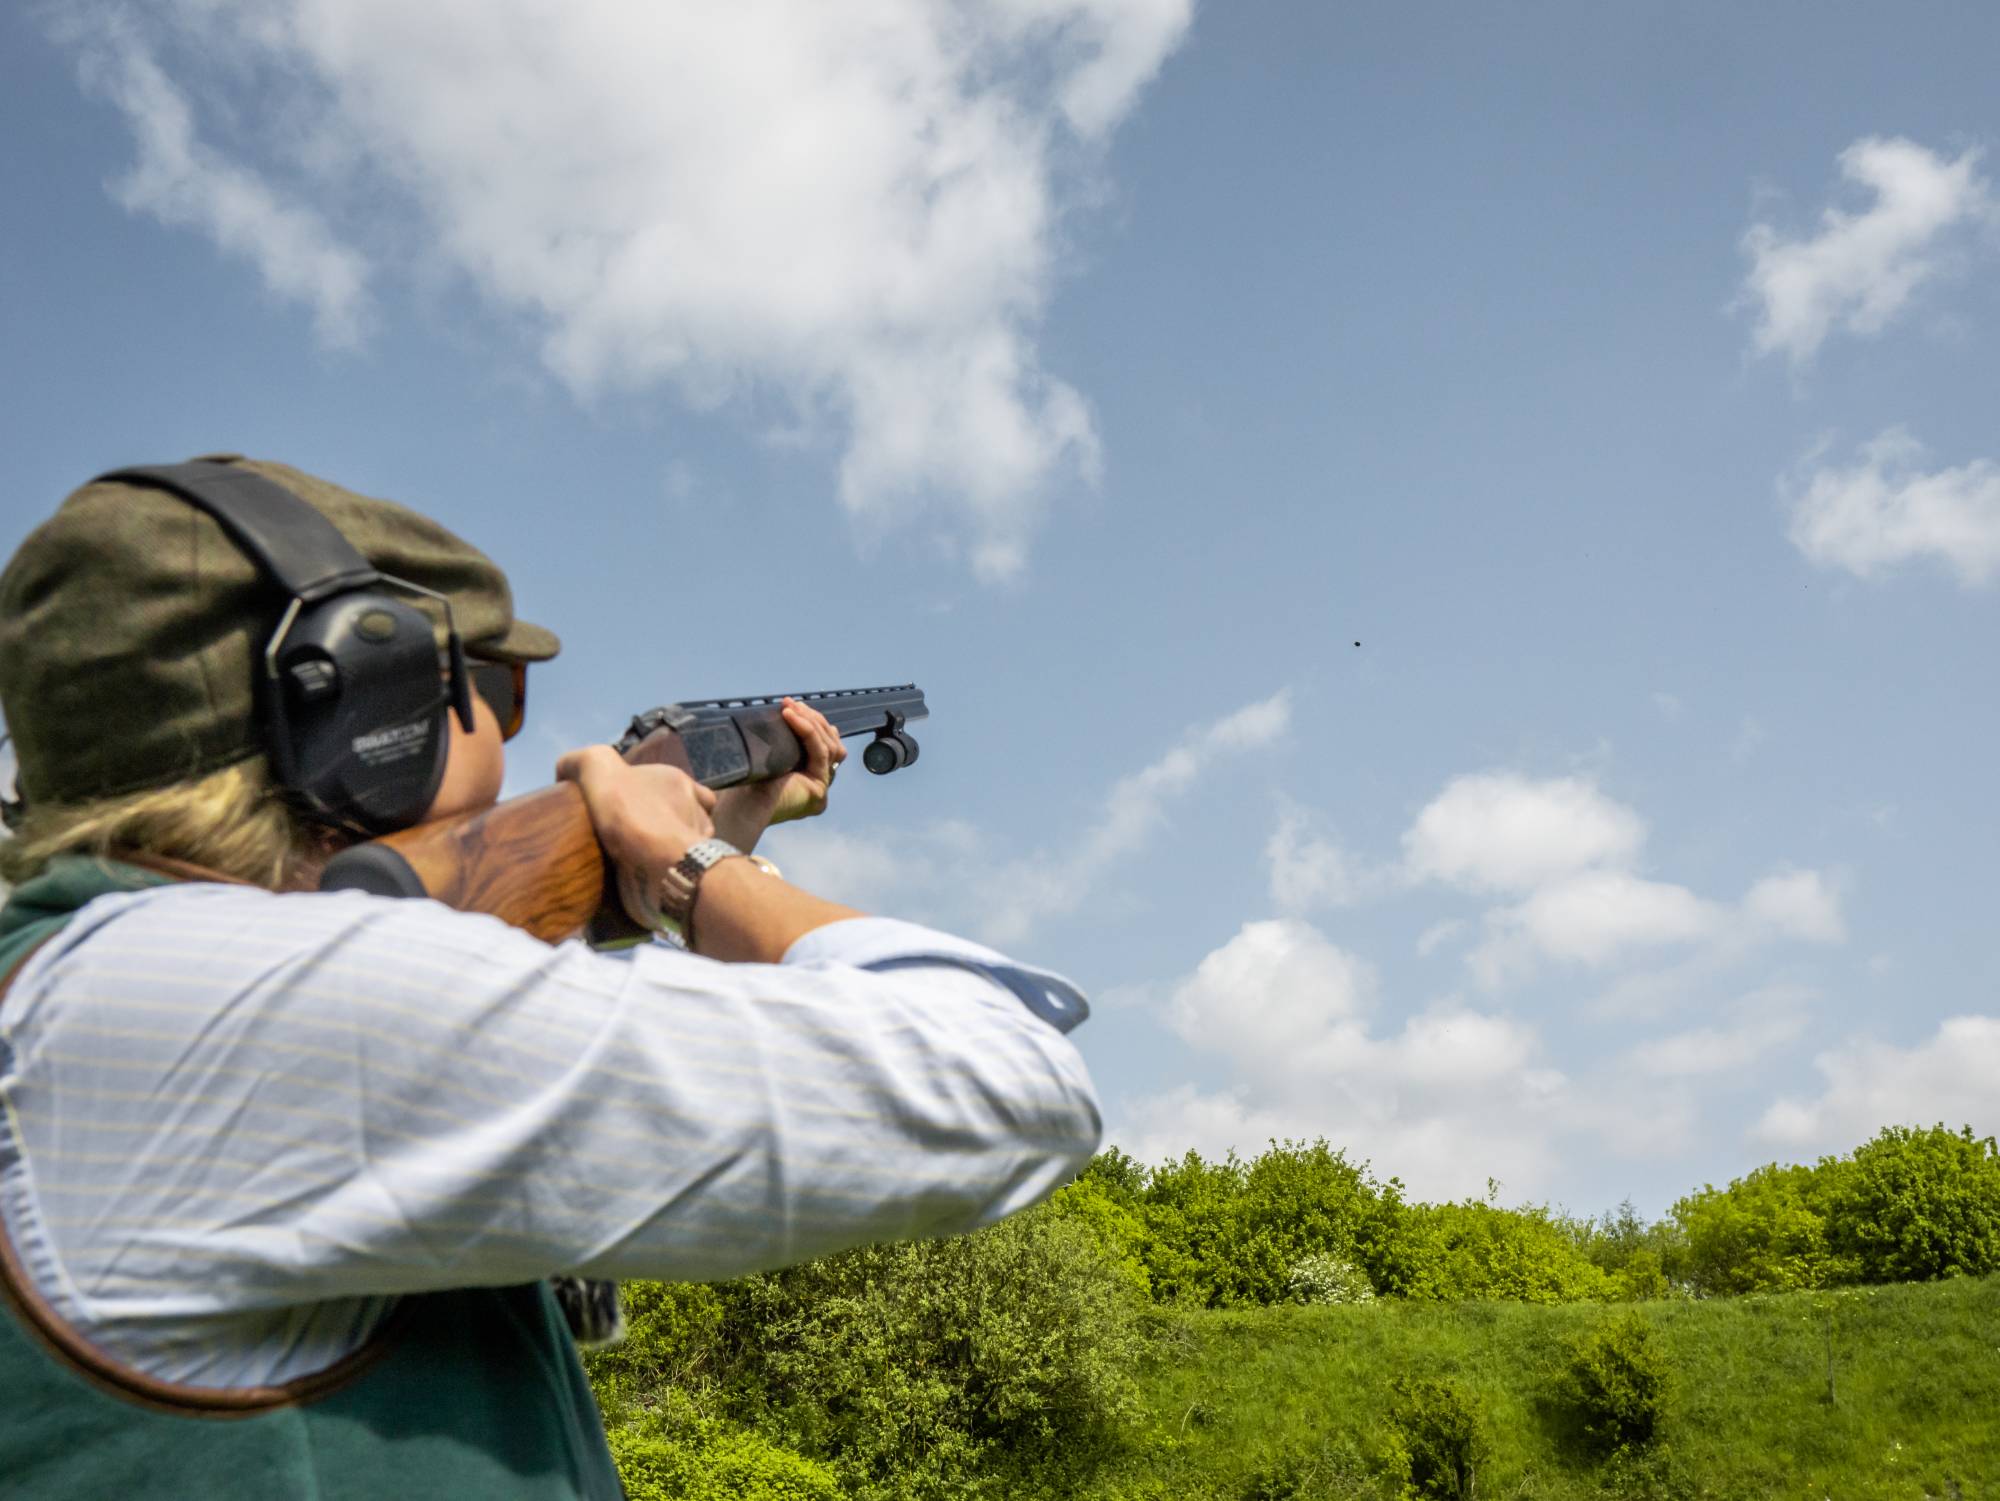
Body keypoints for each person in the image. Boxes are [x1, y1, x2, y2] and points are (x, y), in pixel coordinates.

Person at [0, 456, 1101, 1498]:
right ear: (369, 710)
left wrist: (629, 884)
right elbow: (1012, 1069)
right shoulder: (240, 1010)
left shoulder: (92, 990)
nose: (513, 744)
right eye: (500, 693)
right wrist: (692, 867)